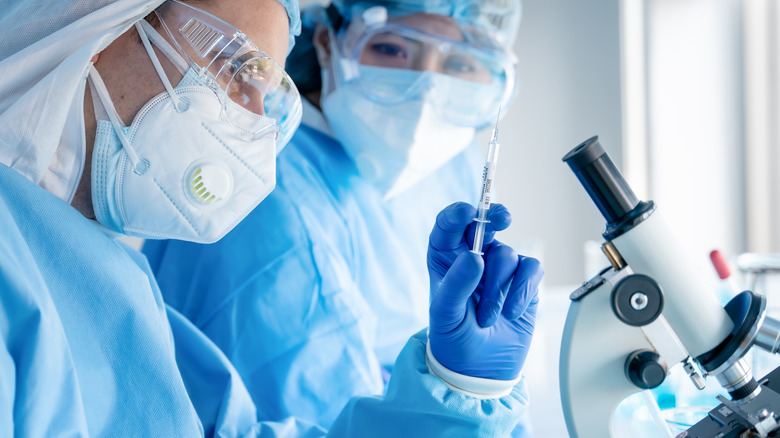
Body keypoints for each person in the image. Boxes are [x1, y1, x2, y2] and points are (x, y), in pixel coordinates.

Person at [0, 0, 541, 436]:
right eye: (234, 67)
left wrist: (458, 391)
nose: (252, 124)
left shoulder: (106, 277)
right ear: (93, 31)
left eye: (267, 92)